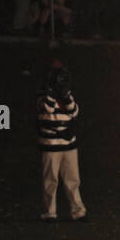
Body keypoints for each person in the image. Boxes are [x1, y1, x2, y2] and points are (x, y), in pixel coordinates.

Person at [36, 61, 87, 222]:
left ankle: (78, 212)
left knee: (73, 179)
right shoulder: (41, 94)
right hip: (51, 145)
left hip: (69, 144)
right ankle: (50, 212)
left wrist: (65, 94)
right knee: (50, 180)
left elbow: (74, 111)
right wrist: (52, 92)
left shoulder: (66, 93)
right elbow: (46, 109)